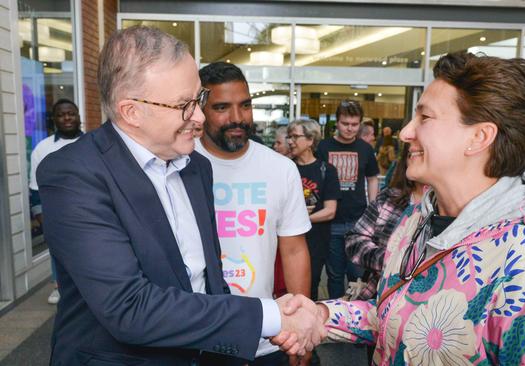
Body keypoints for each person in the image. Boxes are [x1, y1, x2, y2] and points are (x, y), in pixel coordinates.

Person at [276, 51, 525, 364]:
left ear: (479, 137)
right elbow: (398, 316)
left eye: (425, 117)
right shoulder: (419, 220)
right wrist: (321, 316)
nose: (407, 132)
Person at [37, 26, 324, 365]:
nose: (200, 117)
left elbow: (207, 279)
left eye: (198, 99)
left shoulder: (196, 166)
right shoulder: (73, 174)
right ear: (131, 111)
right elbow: (130, 308)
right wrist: (272, 317)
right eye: (185, 105)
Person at [195, 61, 313, 365]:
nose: (237, 118)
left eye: (245, 105)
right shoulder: (182, 166)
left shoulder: (281, 169)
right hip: (197, 338)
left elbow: (294, 251)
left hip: (267, 336)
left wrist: (302, 328)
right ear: (200, 110)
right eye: (222, 107)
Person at [316, 99, 379, 299]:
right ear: (337, 122)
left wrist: (374, 209)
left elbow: (372, 179)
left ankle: (355, 317)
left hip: (358, 221)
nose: (350, 128)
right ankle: (334, 316)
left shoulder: (365, 149)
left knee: (357, 275)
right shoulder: (324, 147)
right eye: (345, 124)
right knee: (334, 275)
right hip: (330, 221)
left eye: (354, 124)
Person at [345, 144, 424, 301]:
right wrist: (390, 261)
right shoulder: (389, 198)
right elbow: (354, 240)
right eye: (412, 154)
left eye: (422, 153)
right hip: (376, 297)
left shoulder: (451, 208)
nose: (416, 159)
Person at [28, 98, 83, 305]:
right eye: (61, 114)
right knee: (59, 252)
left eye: (71, 113)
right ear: (54, 120)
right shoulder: (42, 149)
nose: (67, 118)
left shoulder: (94, 143)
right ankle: (60, 286)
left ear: (78, 116)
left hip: (90, 208)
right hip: (58, 212)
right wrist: (45, 223)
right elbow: (35, 190)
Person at [286, 118, 341, 301]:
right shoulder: (285, 168)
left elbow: (330, 211)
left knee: (311, 285)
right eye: (289, 137)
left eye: (295, 136)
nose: (290, 141)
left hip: (315, 241)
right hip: (287, 242)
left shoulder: (327, 170)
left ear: (310, 140)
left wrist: (300, 220)